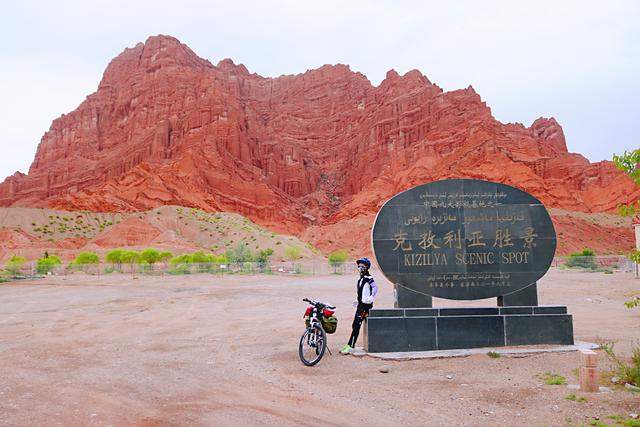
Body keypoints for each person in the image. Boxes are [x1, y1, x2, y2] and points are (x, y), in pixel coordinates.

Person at [340, 257, 378, 354]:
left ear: (367, 267)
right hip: (360, 305)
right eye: (359, 266)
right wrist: (358, 301)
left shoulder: (368, 278)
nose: (360, 268)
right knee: (354, 325)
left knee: (357, 325)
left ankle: (350, 346)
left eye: (363, 266)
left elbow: (375, 287)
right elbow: (362, 293)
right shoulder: (360, 279)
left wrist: (371, 297)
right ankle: (350, 345)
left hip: (365, 307)